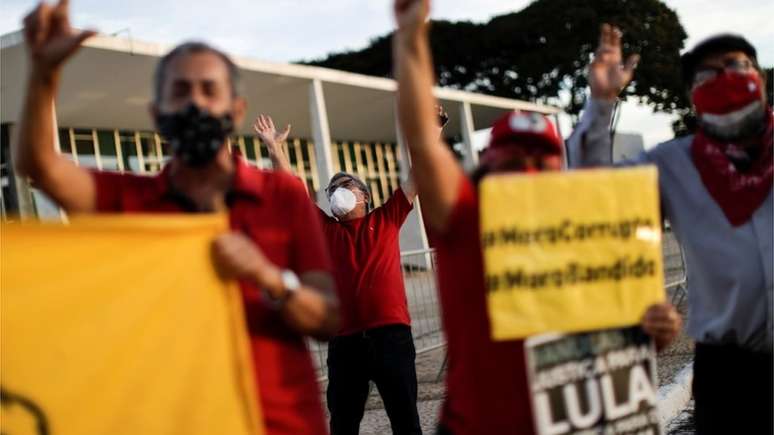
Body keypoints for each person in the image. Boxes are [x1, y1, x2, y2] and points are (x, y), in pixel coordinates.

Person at [15, 2, 339, 434]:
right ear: (156, 114)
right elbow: (41, 166)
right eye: (181, 91)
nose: (196, 103)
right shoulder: (133, 199)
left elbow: (330, 319)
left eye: (209, 90)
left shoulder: (282, 194)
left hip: (280, 424)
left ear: (237, 110)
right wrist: (42, 73)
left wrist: (271, 278)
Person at [390, 1, 683, 434]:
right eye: (513, 158)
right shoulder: (466, 216)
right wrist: (412, 37)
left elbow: (625, 327)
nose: (527, 169)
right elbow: (422, 142)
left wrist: (657, 328)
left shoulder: (583, 229)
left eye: (540, 158)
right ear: (487, 163)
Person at [568, 24, 773, 435]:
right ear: (692, 97)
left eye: (737, 65)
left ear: (761, 78)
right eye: (707, 75)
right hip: (729, 371)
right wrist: (601, 102)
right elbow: (593, 191)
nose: (726, 78)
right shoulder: (673, 164)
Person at [253, 113, 432, 435]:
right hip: (345, 342)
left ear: (364, 195)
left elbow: (418, 176)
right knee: (343, 424)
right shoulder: (324, 229)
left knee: (406, 421)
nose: (337, 192)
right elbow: (293, 190)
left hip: (391, 336)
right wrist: (275, 148)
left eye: (345, 186)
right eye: (332, 188)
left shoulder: (387, 218)